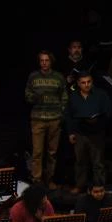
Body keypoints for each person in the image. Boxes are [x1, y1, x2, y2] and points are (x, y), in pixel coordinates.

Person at [25, 51, 67, 188]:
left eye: (46, 60)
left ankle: (49, 180)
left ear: (51, 61)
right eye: (42, 60)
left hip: (54, 119)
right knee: (37, 152)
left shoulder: (58, 77)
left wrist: (61, 112)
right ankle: (36, 180)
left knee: (52, 152)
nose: (44, 63)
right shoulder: (33, 76)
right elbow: (27, 95)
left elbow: (64, 96)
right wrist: (35, 97)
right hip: (38, 118)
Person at [65, 72, 111, 194]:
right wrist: (71, 133)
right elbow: (69, 116)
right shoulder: (73, 96)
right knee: (80, 162)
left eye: (89, 82)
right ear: (78, 84)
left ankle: (99, 187)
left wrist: (98, 122)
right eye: (83, 82)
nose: (86, 85)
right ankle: (80, 185)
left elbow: (108, 113)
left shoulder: (101, 94)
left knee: (98, 162)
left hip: (96, 133)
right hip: (80, 133)